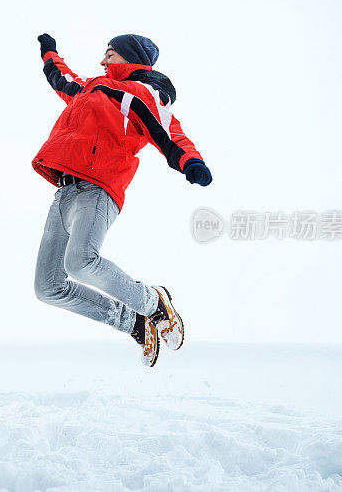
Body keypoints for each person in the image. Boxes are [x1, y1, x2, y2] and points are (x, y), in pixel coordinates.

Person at [32, 33, 212, 367]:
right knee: (47, 287)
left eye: (110, 55)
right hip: (64, 191)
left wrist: (190, 161)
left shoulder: (141, 93)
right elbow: (63, 78)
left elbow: (170, 131)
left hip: (97, 189)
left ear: (130, 59)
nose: (103, 61)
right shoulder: (90, 87)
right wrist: (49, 53)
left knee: (81, 262)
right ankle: (133, 323)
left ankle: (153, 302)